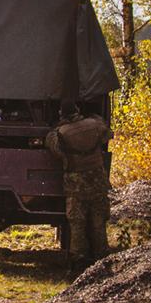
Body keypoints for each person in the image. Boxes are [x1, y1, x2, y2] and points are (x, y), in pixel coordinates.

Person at [45, 100, 113, 274]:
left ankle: (79, 262)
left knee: (77, 223)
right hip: (97, 179)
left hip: (76, 183)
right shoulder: (94, 125)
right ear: (78, 110)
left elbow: (55, 149)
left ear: (62, 115)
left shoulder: (61, 133)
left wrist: (57, 128)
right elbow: (107, 134)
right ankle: (102, 259)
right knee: (99, 220)